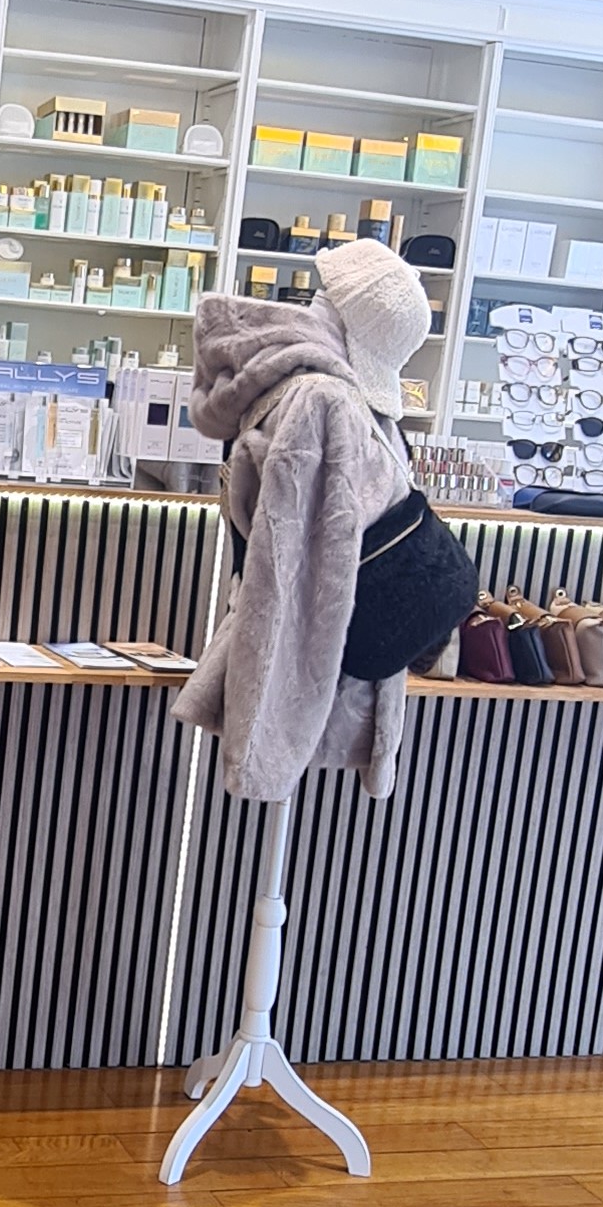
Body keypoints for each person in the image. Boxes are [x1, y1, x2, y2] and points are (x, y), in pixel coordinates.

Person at [173, 238, 432, 802]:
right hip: (324, 661)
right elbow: (297, 574)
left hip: (337, 644)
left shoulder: (305, 386)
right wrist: (267, 735)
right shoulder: (323, 399)